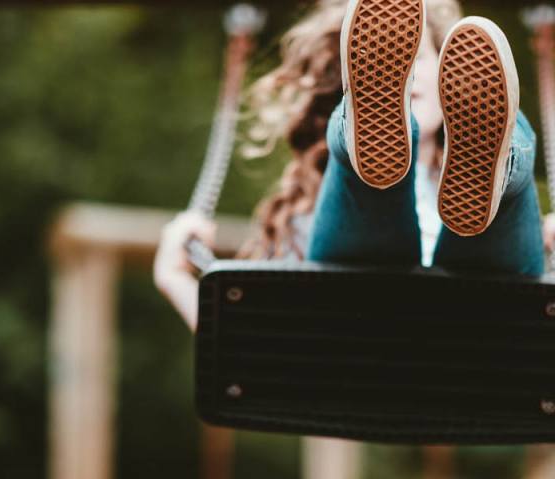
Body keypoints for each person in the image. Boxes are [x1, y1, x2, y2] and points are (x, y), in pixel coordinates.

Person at [154, 0, 555, 332]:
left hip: (475, 312)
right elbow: (261, 346)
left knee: (495, 211)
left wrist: (176, 281)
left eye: (415, 58)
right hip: (448, 336)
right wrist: (174, 278)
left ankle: (498, 163)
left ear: (453, 73)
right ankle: (361, 142)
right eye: (386, 64)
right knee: (364, 188)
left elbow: (250, 355)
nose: (406, 75)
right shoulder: (304, 213)